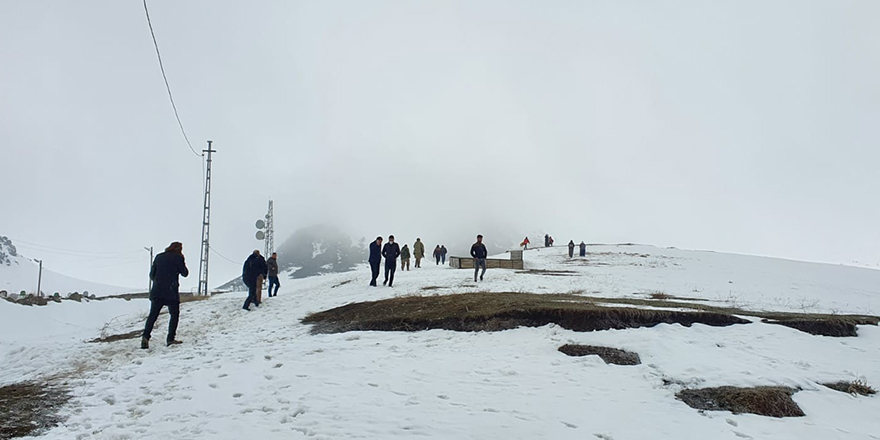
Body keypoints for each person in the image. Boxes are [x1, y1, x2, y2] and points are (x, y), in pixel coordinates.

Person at [141, 242, 189, 349]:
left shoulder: (159, 257)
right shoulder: (178, 257)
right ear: (179, 249)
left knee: (153, 316)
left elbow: (151, 275)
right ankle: (170, 339)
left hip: (157, 291)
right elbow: (185, 273)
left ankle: (145, 337)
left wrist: (158, 282)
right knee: (174, 315)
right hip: (171, 292)